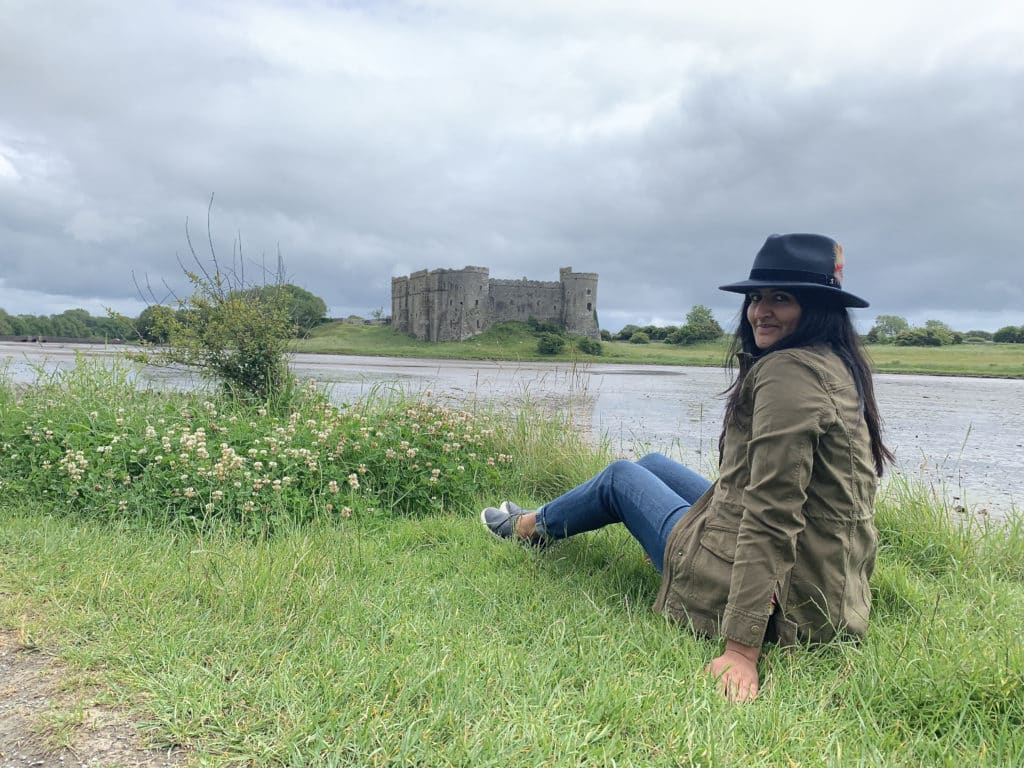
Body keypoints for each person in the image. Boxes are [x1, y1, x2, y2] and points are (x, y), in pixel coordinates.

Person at [480, 233, 893, 703]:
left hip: (792, 601)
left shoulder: (789, 374)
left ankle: (527, 528)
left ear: (818, 308)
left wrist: (741, 651)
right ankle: (544, 518)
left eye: (781, 298)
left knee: (620, 477)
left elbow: (772, 513)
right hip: (828, 585)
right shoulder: (834, 362)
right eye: (756, 298)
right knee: (652, 464)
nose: (760, 312)